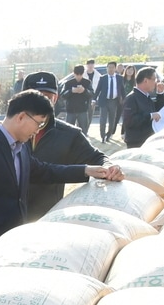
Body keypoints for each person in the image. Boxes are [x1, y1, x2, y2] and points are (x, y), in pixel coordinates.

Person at [0, 89, 124, 268]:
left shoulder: (22, 147)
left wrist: (87, 170)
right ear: (21, 117)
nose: (38, 130)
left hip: (13, 241)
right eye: (39, 123)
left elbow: (45, 171)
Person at [22, 72, 106, 220]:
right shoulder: (8, 135)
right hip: (7, 218)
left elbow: (97, 158)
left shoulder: (68, 134)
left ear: (56, 99)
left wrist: (110, 168)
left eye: (47, 97)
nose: (40, 103)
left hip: (47, 215)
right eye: (36, 96)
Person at [122, 66, 164, 149]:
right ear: (145, 80)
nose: (156, 82)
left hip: (148, 139)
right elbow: (129, 121)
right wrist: (150, 116)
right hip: (137, 142)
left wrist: (160, 94)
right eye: (154, 79)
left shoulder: (146, 96)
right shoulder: (131, 98)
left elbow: (158, 111)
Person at [96, 60, 125, 142]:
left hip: (114, 101)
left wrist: (124, 99)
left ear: (115, 68)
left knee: (112, 120)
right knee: (103, 119)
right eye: (109, 67)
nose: (110, 69)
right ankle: (102, 136)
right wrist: (94, 99)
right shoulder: (103, 78)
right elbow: (98, 89)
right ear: (107, 68)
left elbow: (122, 90)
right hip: (104, 100)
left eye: (112, 67)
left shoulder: (119, 78)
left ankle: (108, 135)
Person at [60, 65, 95, 134]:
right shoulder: (68, 83)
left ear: (83, 73)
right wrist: (71, 91)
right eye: (77, 74)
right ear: (74, 73)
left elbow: (92, 94)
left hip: (83, 109)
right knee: (68, 130)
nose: (78, 76)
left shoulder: (87, 82)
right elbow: (62, 95)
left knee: (84, 130)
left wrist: (84, 90)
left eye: (80, 74)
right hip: (71, 110)